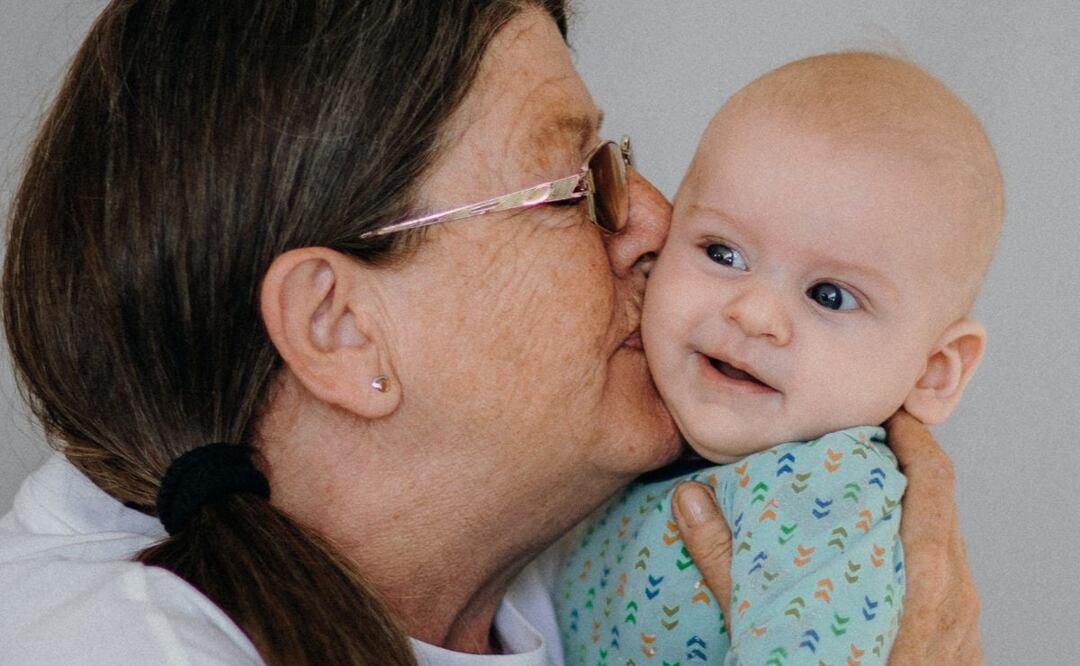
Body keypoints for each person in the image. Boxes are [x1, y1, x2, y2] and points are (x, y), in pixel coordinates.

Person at [0, 2, 983, 664]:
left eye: (623, 161)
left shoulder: (570, 590)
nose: (654, 220)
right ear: (341, 329)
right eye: (574, 187)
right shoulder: (112, 646)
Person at [557, 52, 1001, 665]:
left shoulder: (830, 487)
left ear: (933, 371)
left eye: (830, 296)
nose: (754, 313)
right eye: (722, 253)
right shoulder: (628, 442)